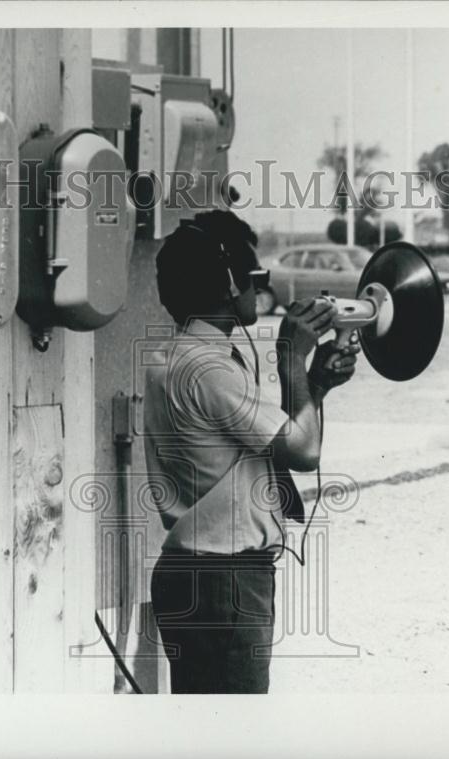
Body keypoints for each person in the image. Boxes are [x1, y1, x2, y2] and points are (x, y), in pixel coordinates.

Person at [144, 209, 359, 693]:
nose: (258, 288)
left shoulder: (181, 356)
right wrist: (291, 358)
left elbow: (267, 442)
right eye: (254, 276)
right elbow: (302, 451)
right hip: (226, 579)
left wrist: (315, 383)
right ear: (227, 281)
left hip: (198, 572)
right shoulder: (210, 370)